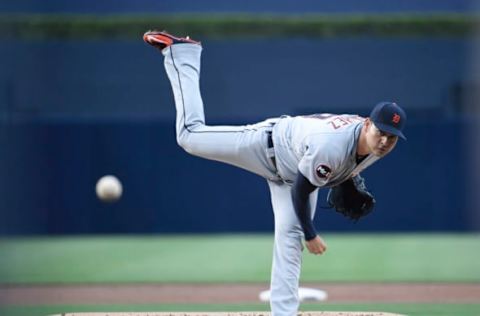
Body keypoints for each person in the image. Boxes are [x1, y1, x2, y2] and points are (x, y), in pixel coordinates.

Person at [143, 30, 407, 316]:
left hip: (295, 167)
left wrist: (344, 180)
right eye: (381, 133)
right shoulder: (332, 146)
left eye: (392, 137)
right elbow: (302, 190)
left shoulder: (377, 146)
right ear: (368, 124)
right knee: (189, 137)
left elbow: (331, 170)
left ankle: (283, 314)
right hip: (266, 145)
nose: (384, 141)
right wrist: (311, 234)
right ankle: (184, 53)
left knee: (288, 238)